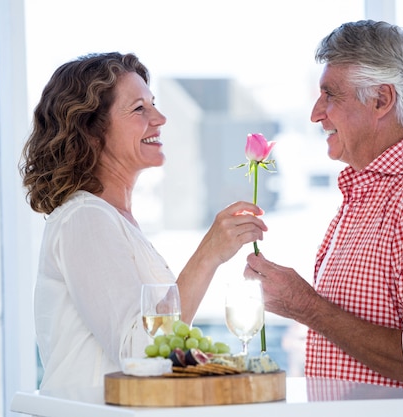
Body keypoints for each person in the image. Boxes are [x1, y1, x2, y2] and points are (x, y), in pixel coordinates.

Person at [244, 20, 403, 417]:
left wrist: (305, 305)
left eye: (329, 94)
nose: (315, 114)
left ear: (381, 100)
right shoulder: (372, 191)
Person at [20, 52, 267, 400]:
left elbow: (160, 348)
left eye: (154, 104)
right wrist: (208, 255)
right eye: (140, 109)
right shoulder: (85, 220)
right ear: (91, 132)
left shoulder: (115, 222)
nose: (160, 118)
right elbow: (141, 353)